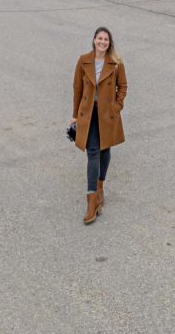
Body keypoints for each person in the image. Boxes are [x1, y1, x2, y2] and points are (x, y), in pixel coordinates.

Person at [71, 27, 127, 224]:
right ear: (94, 40)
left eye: (106, 39)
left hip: (107, 114)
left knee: (104, 151)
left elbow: (123, 86)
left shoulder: (116, 63)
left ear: (109, 43)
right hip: (88, 114)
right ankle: (92, 199)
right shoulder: (83, 60)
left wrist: (117, 107)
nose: (102, 42)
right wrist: (75, 115)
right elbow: (77, 88)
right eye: (99, 38)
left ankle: (100, 188)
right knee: (93, 151)